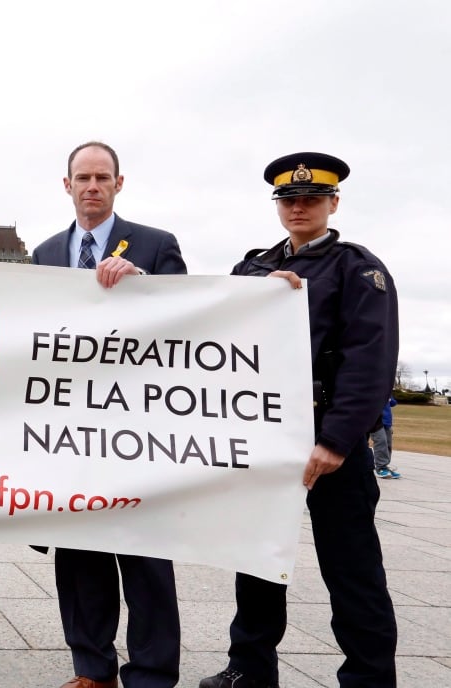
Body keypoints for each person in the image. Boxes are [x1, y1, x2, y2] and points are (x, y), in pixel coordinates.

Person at [199, 152, 398, 688]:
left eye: (312, 198)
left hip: (328, 441)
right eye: (289, 199)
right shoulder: (254, 268)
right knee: (258, 561)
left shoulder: (357, 267)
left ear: (333, 202)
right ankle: (249, 667)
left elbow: (370, 359)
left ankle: (370, 677)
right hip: (265, 439)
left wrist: (336, 440)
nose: (300, 207)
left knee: (351, 569)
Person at [31, 141, 186, 688]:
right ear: (67, 185)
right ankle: (92, 668)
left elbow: (187, 323)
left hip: (136, 430)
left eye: (102, 177)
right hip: (70, 433)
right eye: (82, 177)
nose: (91, 185)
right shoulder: (45, 254)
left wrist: (144, 281)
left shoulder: (155, 244)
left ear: (119, 183)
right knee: (80, 559)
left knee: (145, 561)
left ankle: (150, 671)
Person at [371, 395, 400, 479]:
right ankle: (380, 468)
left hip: (387, 422)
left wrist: (389, 397)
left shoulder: (386, 390)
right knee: (381, 441)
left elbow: (393, 403)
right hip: (375, 421)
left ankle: (385, 466)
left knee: (388, 444)